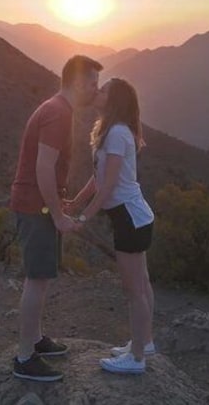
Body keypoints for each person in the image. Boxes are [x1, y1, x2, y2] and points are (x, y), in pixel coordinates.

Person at [10, 55, 103, 382]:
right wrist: (60, 214)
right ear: (78, 82)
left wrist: (58, 203)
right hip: (36, 207)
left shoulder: (56, 109)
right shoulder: (58, 113)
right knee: (36, 279)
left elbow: (45, 169)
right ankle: (24, 358)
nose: (96, 90)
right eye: (93, 83)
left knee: (42, 276)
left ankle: (35, 340)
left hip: (38, 204)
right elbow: (42, 168)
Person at [68, 78, 156, 374]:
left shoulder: (117, 133)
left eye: (104, 90)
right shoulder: (111, 131)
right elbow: (97, 178)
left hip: (130, 218)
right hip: (135, 216)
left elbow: (109, 185)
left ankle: (137, 358)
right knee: (141, 285)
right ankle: (145, 343)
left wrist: (83, 218)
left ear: (114, 100)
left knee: (134, 291)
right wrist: (76, 203)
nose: (97, 92)